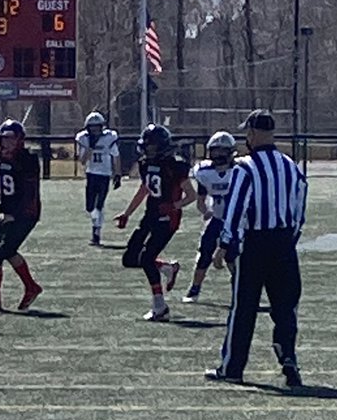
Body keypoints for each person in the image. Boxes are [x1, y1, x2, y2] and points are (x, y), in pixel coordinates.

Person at [205, 109, 308, 387]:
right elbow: (300, 205)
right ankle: (288, 358)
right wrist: (291, 237)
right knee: (285, 307)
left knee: (243, 308)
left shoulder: (245, 167)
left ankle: (232, 368)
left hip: (255, 244)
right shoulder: (290, 165)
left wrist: (224, 244)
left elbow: (236, 208)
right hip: (284, 243)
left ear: (251, 133)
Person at [114, 124, 196, 322]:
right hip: (151, 214)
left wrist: (173, 206)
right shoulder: (145, 164)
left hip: (168, 219)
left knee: (147, 259)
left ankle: (160, 307)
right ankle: (167, 268)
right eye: (147, 146)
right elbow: (144, 189)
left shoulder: (174, 166)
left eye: (151, 146)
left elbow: (191, 195)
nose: (148, 150)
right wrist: (127, 213)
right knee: (130, 258)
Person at [0, 119, 42, 311]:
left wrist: (16, 214)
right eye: (4, 138)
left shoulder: (28, 160)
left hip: (26, 212)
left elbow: (30, 192)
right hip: (6, 211)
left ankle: (31, 286)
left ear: (20, 140)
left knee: (7, 250)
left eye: (11, 138)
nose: (7, 142)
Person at [183, 131, 237, 303]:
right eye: (215, 150)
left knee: (234, 257)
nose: (218, 155)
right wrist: (205, 211)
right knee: (204, 253)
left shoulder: (239, 170)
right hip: (217, 218)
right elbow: (201, 200)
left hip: (237, 221)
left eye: (222, 151)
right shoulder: (205, 172)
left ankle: (241, 290)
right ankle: (194, 289)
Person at [75, 111, 121, 247]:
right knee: (90, 207)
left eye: (97, 126)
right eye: (92, 127)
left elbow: (116, 156)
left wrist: (117, 174)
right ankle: (95, 226)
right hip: (91, 174)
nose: (95, 129)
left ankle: (96, 232)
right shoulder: (84, 138)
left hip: (104, 175)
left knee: (99, 205)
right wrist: (90, 147)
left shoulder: (109, 138)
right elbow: (82, 161)